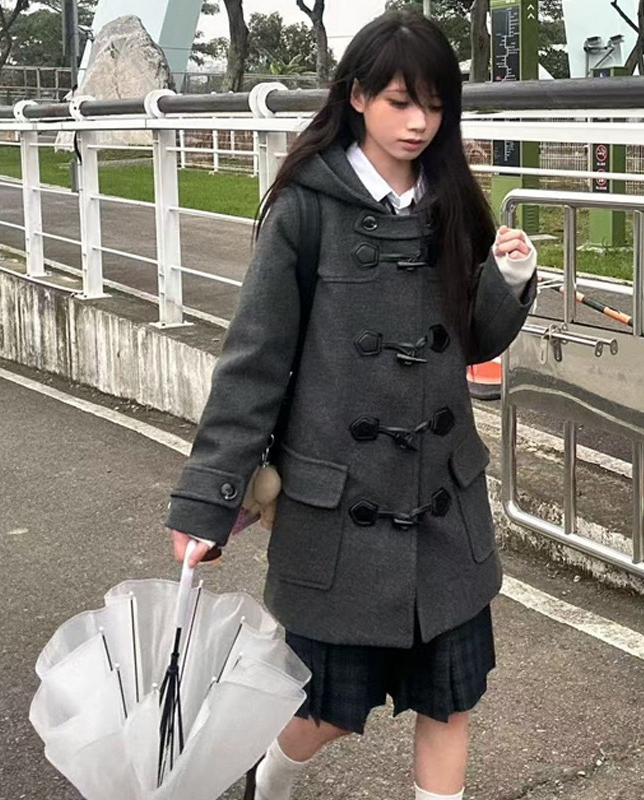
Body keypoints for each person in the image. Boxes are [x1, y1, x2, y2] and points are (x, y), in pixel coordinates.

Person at [166, 11, 538, 800]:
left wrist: (506, 283)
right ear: (359, 96)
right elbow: (254, 361)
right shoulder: (306, 208)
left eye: (434, 105)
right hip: (342, 514)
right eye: (402, 101)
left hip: (442, 510)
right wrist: (207, 500)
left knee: (450, 702)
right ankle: (272, 774)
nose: (419, 123)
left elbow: (469, 339)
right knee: (323, 710)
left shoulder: (451, 198)